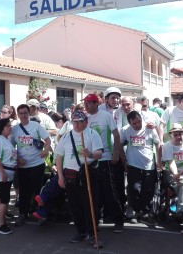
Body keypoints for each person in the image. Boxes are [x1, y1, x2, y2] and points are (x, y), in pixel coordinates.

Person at [56, 110, 104, 248]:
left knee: (89, 205)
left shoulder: (92, 134)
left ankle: (93, 233)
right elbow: (59, 156)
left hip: (88, 174)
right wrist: (60, 176)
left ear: (86, 122)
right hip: (70, 176)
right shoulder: (66, 136)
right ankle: (81, 232)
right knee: (75, 205)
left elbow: (100, 154)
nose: (76, 124)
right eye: (74, 122)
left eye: (80, 122)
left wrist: (89, 153)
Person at [84, 93, 124, 233]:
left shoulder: (106, 116)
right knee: (94, 191)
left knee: (110, 191)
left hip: (106, 157)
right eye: (85, 103)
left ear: (96, 103)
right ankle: (96, 219)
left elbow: (116, 134)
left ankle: (119, 220)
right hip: (91, 160)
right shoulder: (85, 118)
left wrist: (116, 153)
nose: (86, 106)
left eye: (89, 103)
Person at [11, 104, 51, 226]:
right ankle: (23, 214)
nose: (23, 115)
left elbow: (47, 140)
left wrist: (45, 150)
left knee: (38, 190)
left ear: (29, 114)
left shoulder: (36, 126)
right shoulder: (15, 129)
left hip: (37, 163)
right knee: (24, 191)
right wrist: (17, 159)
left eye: (25, 113)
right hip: (23, 165)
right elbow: (11, 147)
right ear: (18, 115)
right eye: (21, 113)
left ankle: (40, 213)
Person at [120, 110, 160, 224]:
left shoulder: (149, 128)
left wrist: (158, 160)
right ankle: (135, 211)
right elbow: (119, 144)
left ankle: (145, 212)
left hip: (149, 165)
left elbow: (158, 144)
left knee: (148, 190)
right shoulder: (125, 130)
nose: (137, 125)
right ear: (129, 123)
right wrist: (124, 161)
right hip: (133, 165)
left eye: (139, 122)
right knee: (134, 189)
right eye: (134, 123)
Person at [0, 118, 17, 234]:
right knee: (5, 198)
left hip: (6, 172)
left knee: (2, 197)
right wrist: (2, 172)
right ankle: (1, 225)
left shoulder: (6, 140)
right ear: (2, 128)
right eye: (8, 126)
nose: (10, 127)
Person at [161, 123, 183, 219]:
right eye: (175, 134)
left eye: (180, 134)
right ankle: (182, 211)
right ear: (171, 135)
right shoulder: (167, 146)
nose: (178, 137)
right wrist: (176, 175)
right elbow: (171, 162)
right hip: (172, 172)